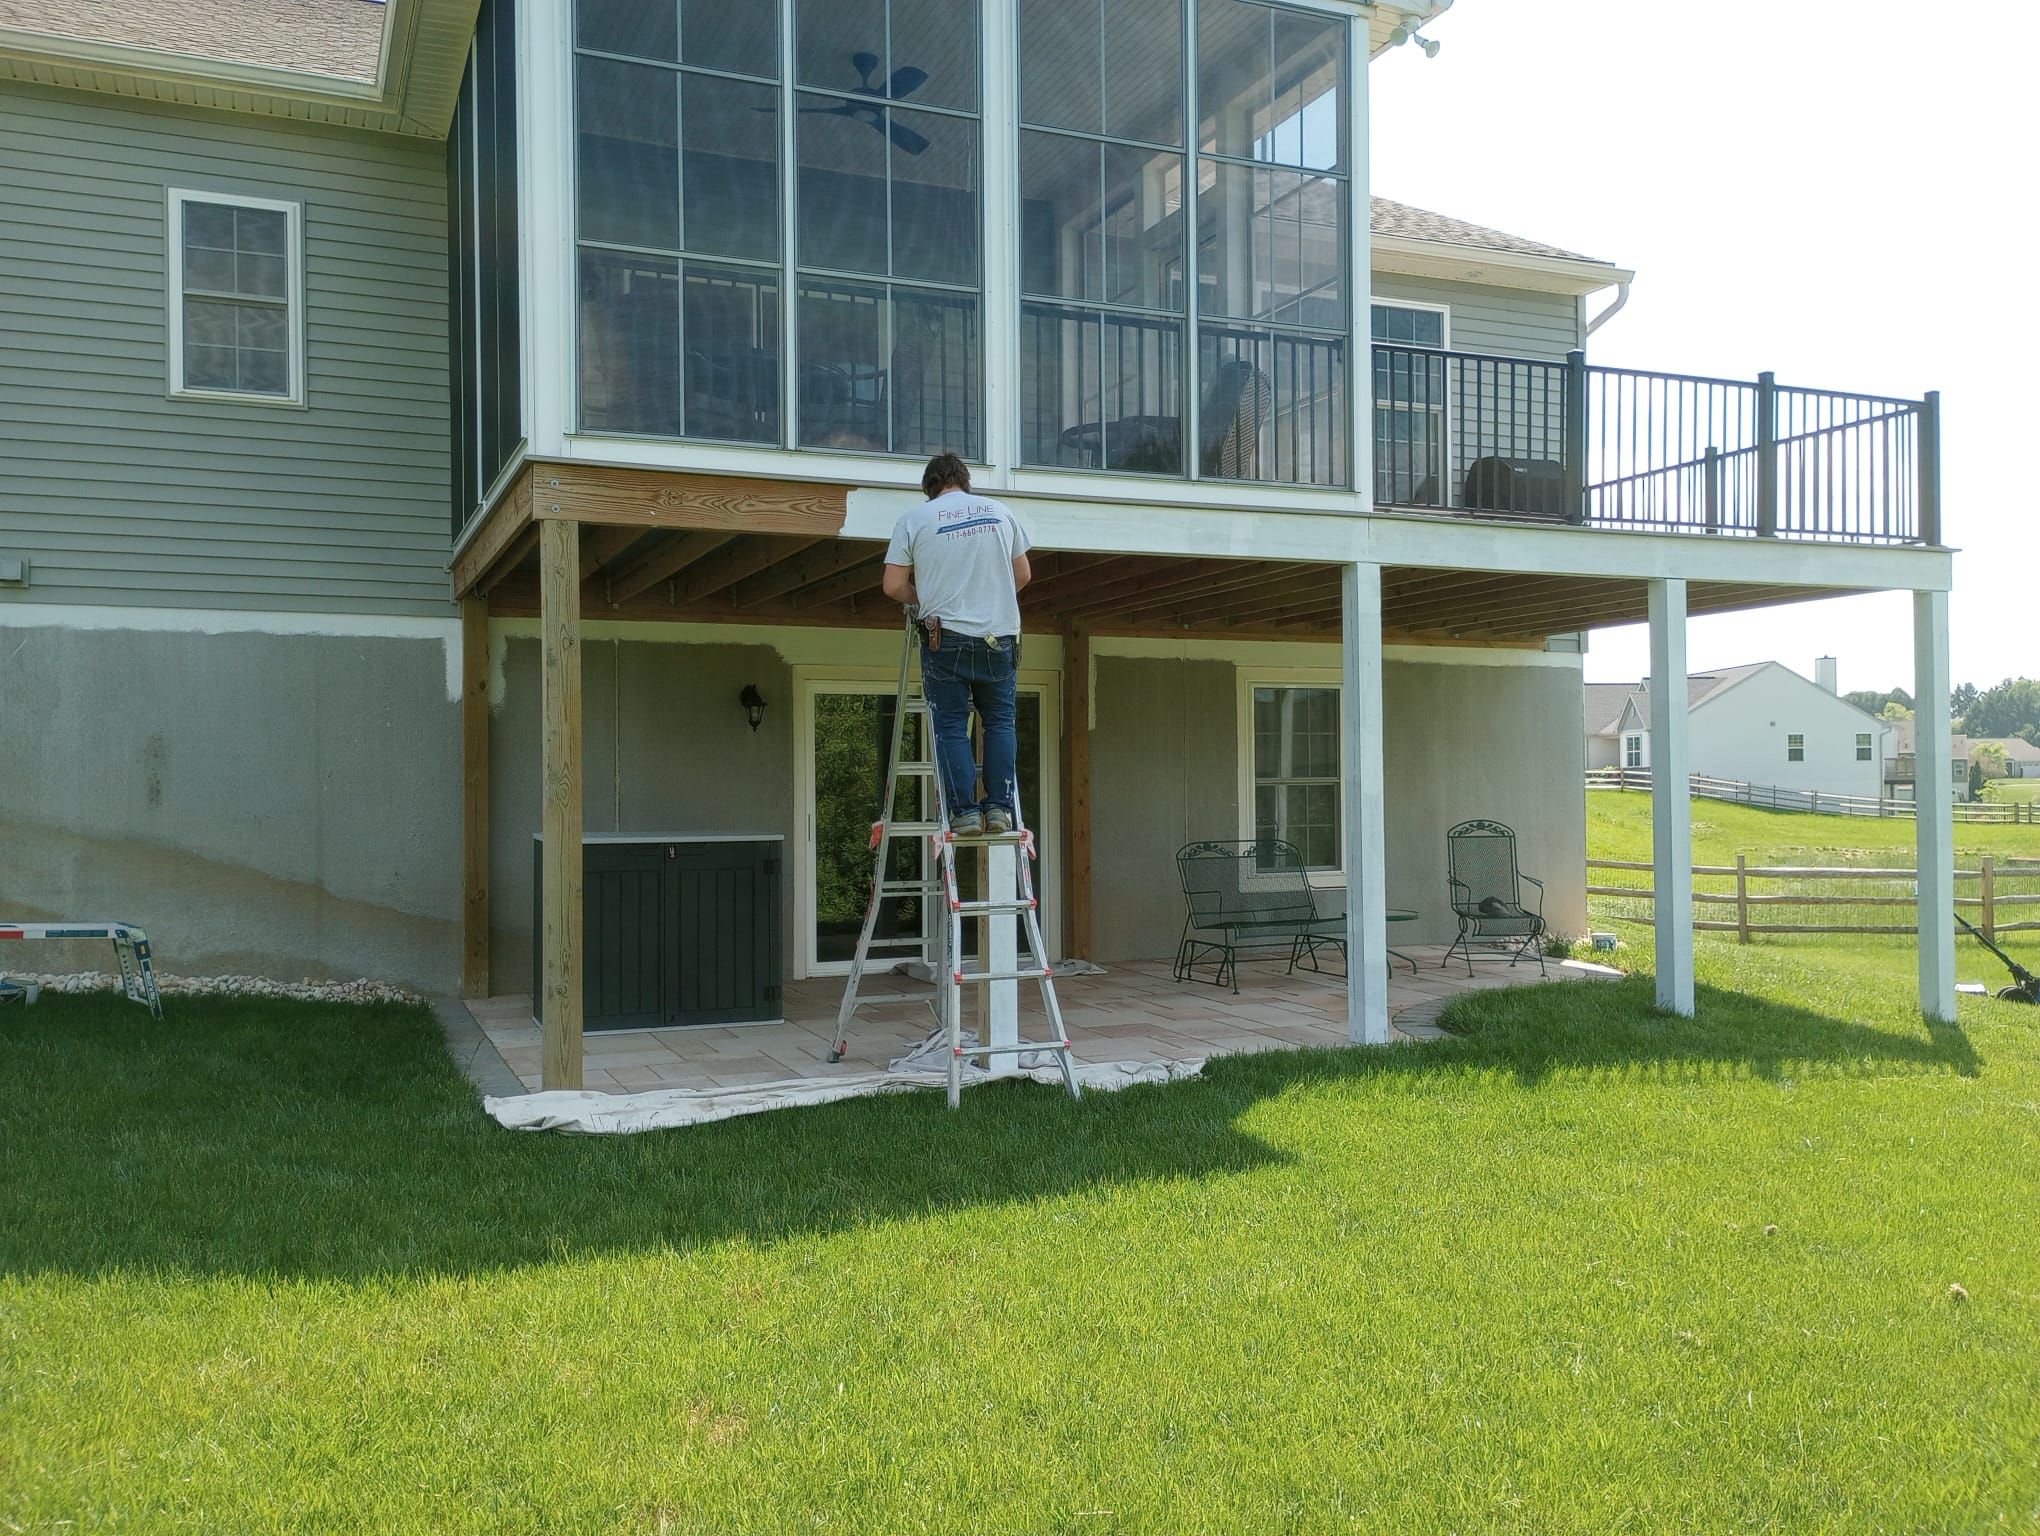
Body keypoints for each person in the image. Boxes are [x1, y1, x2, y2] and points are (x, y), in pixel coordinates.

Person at [882, 453, 1031, 838]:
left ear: (929, 488)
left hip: (943, 636)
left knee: (950, 725)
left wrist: (923, 595)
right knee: (999, 721)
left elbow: (893, 585)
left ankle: (964, 813)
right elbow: (1023, 574)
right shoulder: (1000, 512)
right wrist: (988, 597)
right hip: (1000, 635)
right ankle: (998, 808)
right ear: (965, 481)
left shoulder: (915, 519)